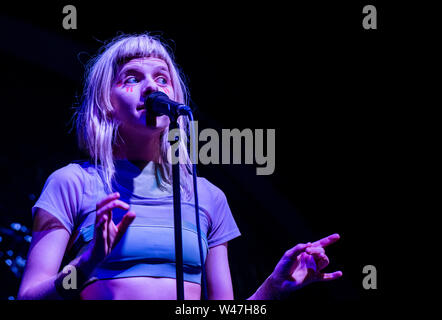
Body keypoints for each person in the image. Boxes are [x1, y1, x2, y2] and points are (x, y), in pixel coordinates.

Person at [17, 33, 342, 300]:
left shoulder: (207, 196)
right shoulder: (71, 183)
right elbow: (28, 297)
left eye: (162, 78)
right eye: (132, 78)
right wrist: (87, 262)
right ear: (107, 103)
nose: (152, 87)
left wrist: (272, 289)